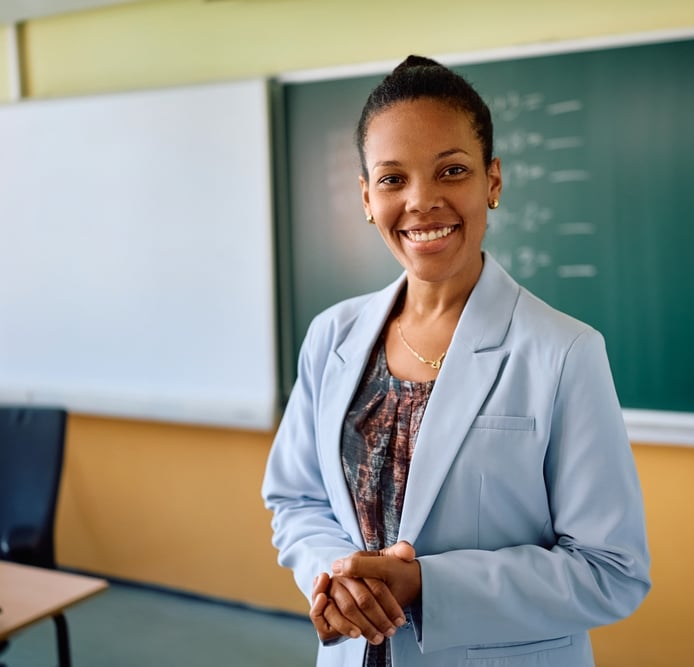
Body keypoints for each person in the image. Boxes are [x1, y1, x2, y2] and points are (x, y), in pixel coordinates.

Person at [262, 55, 651, 667]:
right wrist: (339, 577)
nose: (421, 201)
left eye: (452, 170)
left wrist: (427, 587)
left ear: (492, 181)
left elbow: (611, 570)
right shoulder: (332, 335)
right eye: (393, 179)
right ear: (366, 197)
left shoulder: (565, 351)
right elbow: (297, 500)